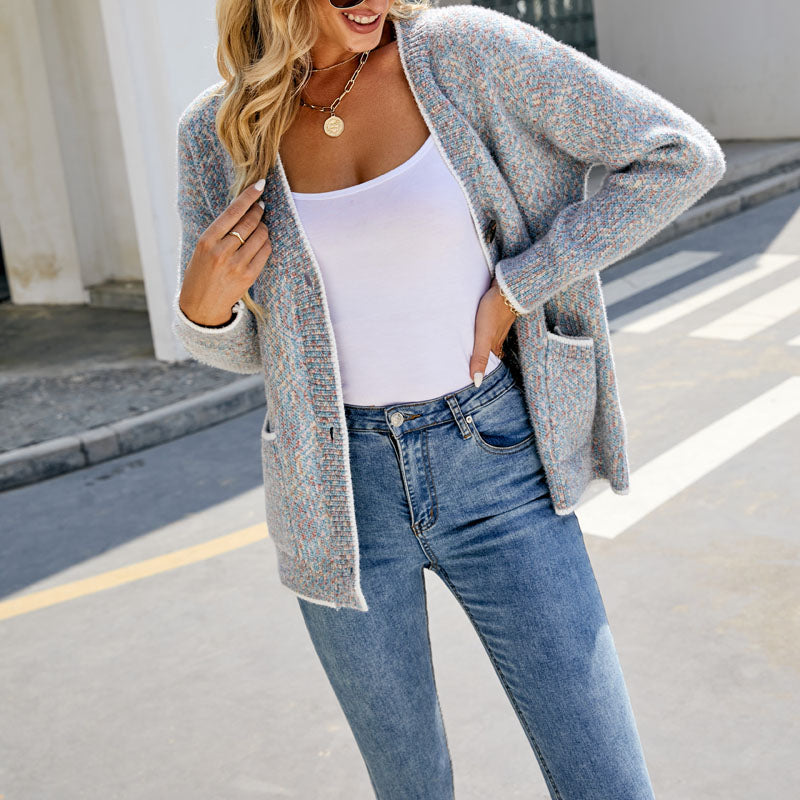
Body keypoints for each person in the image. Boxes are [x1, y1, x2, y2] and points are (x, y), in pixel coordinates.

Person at [173, 0, 726, 796]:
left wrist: (518, 287)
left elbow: (679, 155)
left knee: (606, 781)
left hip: (495, 465)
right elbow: (248, 351)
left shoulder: (462, 52)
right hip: (338, 498)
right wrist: (203, 309)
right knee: (411, 788)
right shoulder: (219, 131)